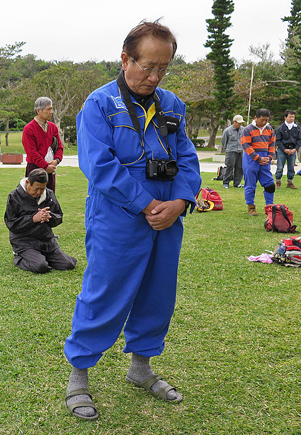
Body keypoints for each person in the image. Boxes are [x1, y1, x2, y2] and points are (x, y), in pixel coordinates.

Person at [63, 21, 202, 421]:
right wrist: (145, 204)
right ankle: (79, 378)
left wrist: (179, 201)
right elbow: (99, 166)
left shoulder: (172, 104)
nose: (154, 77)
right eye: (147, 67)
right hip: (118, 214)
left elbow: (187, 158)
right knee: (103, 293)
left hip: (167, 214)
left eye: (163, 69)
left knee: (158, 293)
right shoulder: (99, 104)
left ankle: (140, 369)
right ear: (125, 59)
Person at [4, 168, 77, 274]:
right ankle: (19, 257)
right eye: (36, 189)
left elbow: (59, 216)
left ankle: (41, 256)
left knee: (68, 264)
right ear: (28, 182)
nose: (39, 192)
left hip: (46, 240)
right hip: (24, 241)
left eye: (42, 189)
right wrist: (33, 219)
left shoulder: (49, 194)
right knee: (41, 267)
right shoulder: (14, 197)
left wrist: (50, 217)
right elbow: (11, 224)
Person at [22, 97, 64, 192]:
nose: (51, 112)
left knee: (49, 199)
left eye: (51, 109)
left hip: (50, 170)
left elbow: (59, 147)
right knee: (33, 198)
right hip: (34, 170)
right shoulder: (29, 129)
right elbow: (31, 152)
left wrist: (56, 160)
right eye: (48, 109)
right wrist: (45, 166)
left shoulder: (53, 127)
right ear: (38, 111)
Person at [241, 108, 276, 216]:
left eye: (266, 120)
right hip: (251, 159)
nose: (264, 122)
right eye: (262, 120)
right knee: (250, 185)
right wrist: (257, 158)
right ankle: (251, 207)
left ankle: (270, 207)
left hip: (265, 159)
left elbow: (272, 145)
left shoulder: (270, 129)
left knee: (270, 185)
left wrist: (270, 157)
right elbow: (246, 145)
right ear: (255, 118)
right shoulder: (247, 129)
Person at [275, 110, 301, 189]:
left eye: (293, 117)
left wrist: (295, 149)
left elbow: (299, 140)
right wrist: (284, 149)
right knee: (280, 167)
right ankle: (278, 181)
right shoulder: (281, 128)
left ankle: (290, 182)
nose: (292, 118)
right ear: (285, 117)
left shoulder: (296, 128)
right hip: (282, 150)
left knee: (291, 167)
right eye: (290, 117)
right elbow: (278, 140)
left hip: (293, 149)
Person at [221, 114, 245, 188]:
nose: (240, 124)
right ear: (234, 122)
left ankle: (237, 183)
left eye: (241, 123)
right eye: (238, 123)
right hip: (231, 151)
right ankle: (226, 182)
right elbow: (224, 141)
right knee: (229, 167)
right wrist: (228, 149)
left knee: (240, 167)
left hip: (240, 151)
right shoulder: (227, 130)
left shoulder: (243, 129)